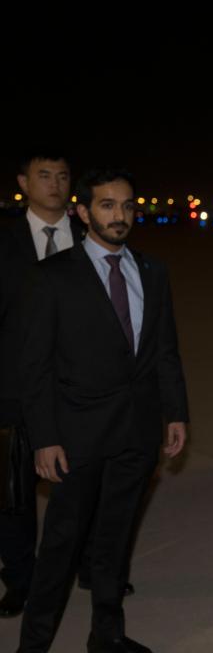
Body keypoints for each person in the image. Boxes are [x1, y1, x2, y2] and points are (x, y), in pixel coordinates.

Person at [17, 169, 189, 653]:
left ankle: (107, 636)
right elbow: (36, 368)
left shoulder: (152, 271)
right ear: (82, 212)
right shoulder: (52, 276)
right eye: (108, 205)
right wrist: (45, 438)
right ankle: (33, 645)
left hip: (137, 432)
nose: (120, 215)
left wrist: (175, 412)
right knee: (61, 547)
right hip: (77, 437)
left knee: (115, 540)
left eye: (128, 206)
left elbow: (165, 349)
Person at [0, 151, 80, 619]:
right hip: (13, 392)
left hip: (77, 391)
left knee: (82, 487)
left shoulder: (89, 239)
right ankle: (19, 579)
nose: (54, 184)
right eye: (44, 175)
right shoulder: (5, 243)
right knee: (14, 495)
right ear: (23, 183)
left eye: (62, 176)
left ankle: (93, 566)